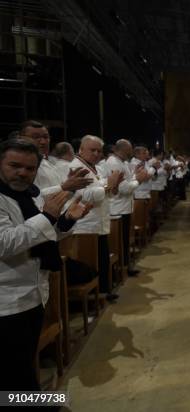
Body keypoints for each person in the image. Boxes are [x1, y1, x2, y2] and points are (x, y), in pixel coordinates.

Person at [0, 138, 91, 391]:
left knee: (23, 368)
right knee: (12, 374)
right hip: (7, 301)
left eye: (30, 169)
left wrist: (65, 222)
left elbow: (43, 234)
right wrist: (48, 216)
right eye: (14, 165)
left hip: (32, 293)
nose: (22, 173)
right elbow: (4, 243)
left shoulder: (27, 195)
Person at [68, 135, 123, 301]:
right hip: (85, 226)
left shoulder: (95, 168)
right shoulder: (75, 167)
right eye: (92, 150)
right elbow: (83, 195)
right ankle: (95, 295)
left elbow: (99, 188)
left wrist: (112, 185)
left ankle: (104, 291)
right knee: (92, 262)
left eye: (99, 151)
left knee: (101, 260)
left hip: (97, 223)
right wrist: (108, 185)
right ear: (81, 149)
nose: (97, 153)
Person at [106, 139, 148, 276]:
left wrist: (135, 175)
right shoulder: (113, 163)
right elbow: (124, 188)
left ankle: (125, 266)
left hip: (124, 207)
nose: (132, 152)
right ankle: (122, 268)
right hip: (118, 209)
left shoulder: (121, 162)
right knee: (119, 242)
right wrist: (139, 180)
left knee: (123, 240)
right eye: (130, 149)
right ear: (124, 150)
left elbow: (128, 182)